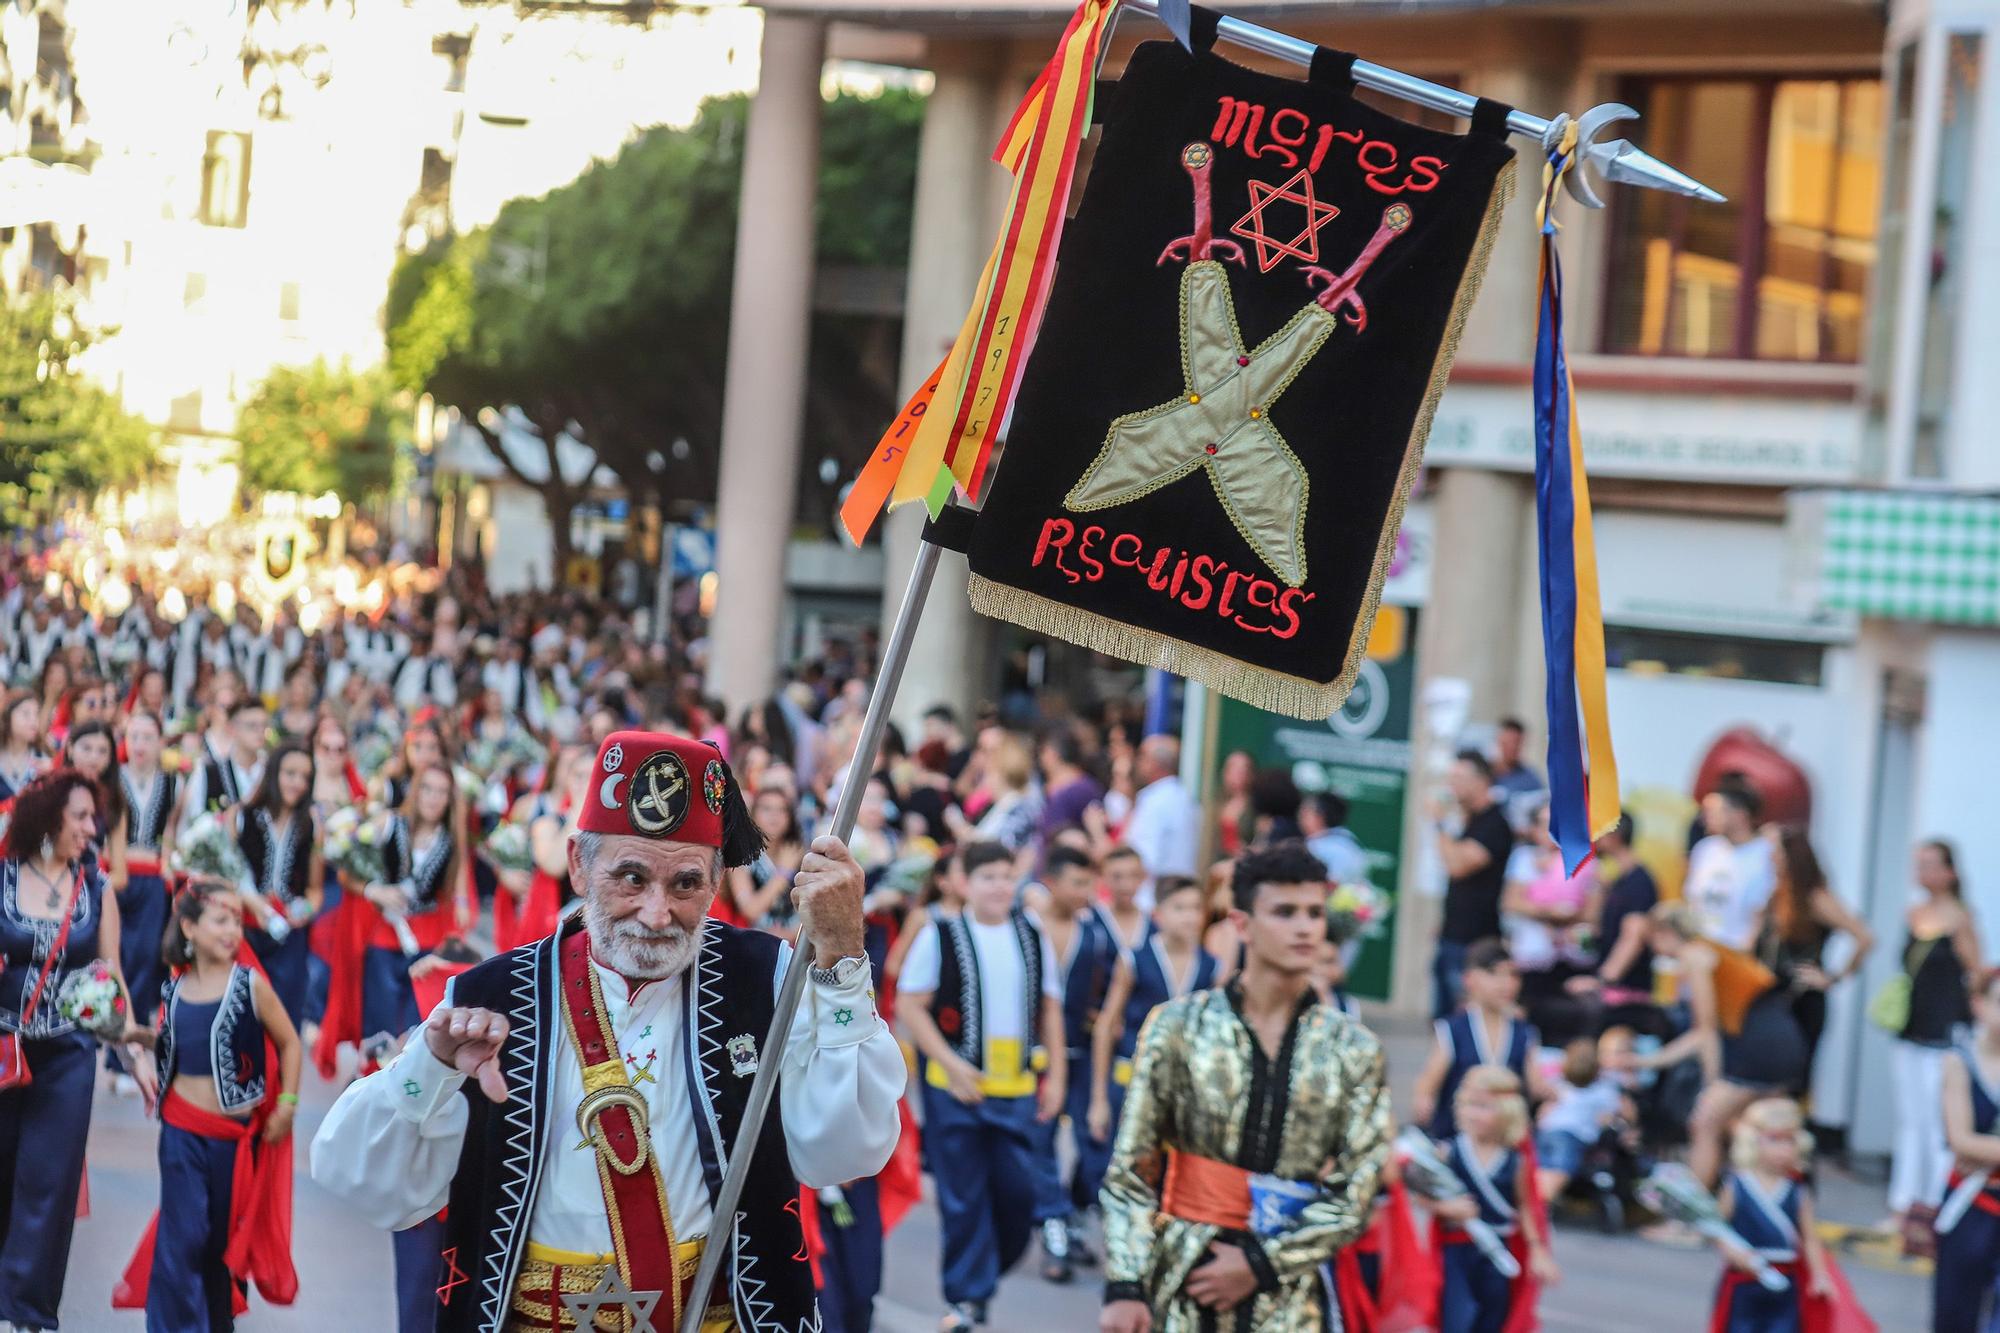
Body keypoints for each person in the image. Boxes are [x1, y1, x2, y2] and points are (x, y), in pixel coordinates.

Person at [312, 729, 905, 1331]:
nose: (657, 913)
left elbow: (845, 1149)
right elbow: (363, 1182)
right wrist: (429, 1069)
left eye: (685, 884)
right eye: (631, 878)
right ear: (578, 865)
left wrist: (843, 959)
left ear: (716, 882)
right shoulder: (489, 996)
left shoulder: (764, 978)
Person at [1098, 841, 1390, 1333]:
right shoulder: (1177, 1027)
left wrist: (1259, 1262)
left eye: (1315, 913)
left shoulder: (1352, 1048)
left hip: (1291, 1295)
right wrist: (1125, 1285)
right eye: (1284, 912)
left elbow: (1359, 1188)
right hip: (1184, 1277)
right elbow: (1132, 1170)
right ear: (1241, 924)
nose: (1304, 927)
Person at [0, 768, 152, 1330]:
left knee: (50, 1183)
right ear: (48, 817)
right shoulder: (4, 875)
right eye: (81, 817)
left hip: (67, 1056)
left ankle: (28, 1314)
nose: (93, 828)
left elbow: (110, 977)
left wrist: (135, 1056)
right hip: (2, 1051)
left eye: (95, 818)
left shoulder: (94, 886)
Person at [115, 883, 303, 1330]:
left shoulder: (250, 985)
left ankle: (217, 1322)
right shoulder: (174, 990)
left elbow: (290, 1042)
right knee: (184, 1236)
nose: (233, 931)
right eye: (221, 920)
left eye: (238, 922)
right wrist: (137, 1037)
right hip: (181, 1132)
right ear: (189, 927)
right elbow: (176, 1044)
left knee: (221, 1243)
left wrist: (289, 1104)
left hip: (233, 1140)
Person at [896, 839, 1067, 1330]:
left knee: (1020, 1195)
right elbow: (910, 1005)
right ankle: (966, 1299)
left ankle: (983, 1277)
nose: (999, 886)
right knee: (963, 1197)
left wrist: (1056, 1076)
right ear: (963, 883)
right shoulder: (941, 934)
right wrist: (950, 1063)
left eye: (1006, 876)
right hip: (956, 1092)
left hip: (1016, 1091)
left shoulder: (1031, 932)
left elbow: (1050, 1009)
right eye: (987, 877)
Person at [1637, 904, 1807, 1188]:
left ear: (1665, 933)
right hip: (1782, 1037)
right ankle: (1755, 1201)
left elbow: (1704, 1032)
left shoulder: (1694, 954)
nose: (1653, 950)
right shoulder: (1715, 948)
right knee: (1754, 1129)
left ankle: (1693, 1218)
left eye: (1651, 940)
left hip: (1758, 1044)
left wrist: (1710, 1083)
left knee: (1705, 1124)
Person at [1089, 875, 1220, 1184]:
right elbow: (1106, 1025)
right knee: (1124, 1172)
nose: (1190, 916)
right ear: (1158, 913)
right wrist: (1098, 1099)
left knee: (1168, 1177)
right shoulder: (1135, 959)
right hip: (1131, 1079)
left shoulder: (1210, 966)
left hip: (1181, 1088)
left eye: (1196, 908)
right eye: (1179, 907)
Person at [1030, 844, 1122, 1283]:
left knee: (1095, 1142)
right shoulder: (1028, 924)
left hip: (1083, 1052)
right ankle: (1054, 1232)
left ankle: (1073, 1214)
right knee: (1040, 1140)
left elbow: (1116, 977)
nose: (1087, 892)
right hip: (1035, 1054)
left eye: (1091, 883)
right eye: (1078, 883)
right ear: (1051, 883)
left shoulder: (1098, 928)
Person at [1416, 1066, 1558, 1333]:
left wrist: (1537, 1249)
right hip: (1456, 1252)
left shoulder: (1515, 1161)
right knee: (1456, 1321)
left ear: (1507, 1111)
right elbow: (1423, 1195)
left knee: (1492, 1322)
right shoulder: (1450, 1152)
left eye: (1484, 1107)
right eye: (1469, 1104)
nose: (1474, 1113)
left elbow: (1526, 1206)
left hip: (1497, 1253)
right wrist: (1446, 1208)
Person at [1887, 839, 1979, 1236]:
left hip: (1943, 1036)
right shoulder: (1913, 914)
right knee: (1910, 1121)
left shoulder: (1960, 919)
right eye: (1917, 864)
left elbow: (1975, 975)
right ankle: (1903, 1204)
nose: (1922, 872)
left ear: (1948, 872)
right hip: (1911, 1029)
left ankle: (1938, 1207)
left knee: (1938, 1125)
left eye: (1929, 865)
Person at [1755, 827, 1872, 1085]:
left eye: (1774, 852)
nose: (1770, 858)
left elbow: (1864, 938)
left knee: (1792, 1079)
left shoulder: (1815, 898)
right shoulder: (1778, 894)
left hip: (1801, 1000)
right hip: (1773, 998)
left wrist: (1834, 977)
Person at [1703, 1098, 1832, 1332]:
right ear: (1753, 1141)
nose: (1784, 1149)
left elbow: (1810, 1238)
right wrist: (1733, 1252)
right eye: (1774, 1140)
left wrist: (1819, 1274)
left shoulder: (1797, 1191)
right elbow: (1715, 1227)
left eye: (1789, 1141)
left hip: (1784, 1283)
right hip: (1744, 1282)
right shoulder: (1738, 1185)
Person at [358, 763, 460, 1050]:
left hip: (425, 943)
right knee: (380, 1030)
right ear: (415, 791)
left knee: (416, 1034)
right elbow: (349, 870)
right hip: (383, 939)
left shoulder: (450, 842)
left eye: (442, 792)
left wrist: (447, 948)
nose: (433, 797)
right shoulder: (388, 823)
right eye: (427, 788)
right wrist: (373, 890)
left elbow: (453, 899)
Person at [1413, 939, 1548, 1141]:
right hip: (1456, 1141)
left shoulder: (1524, 1032)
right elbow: (1428, 1082)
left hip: (1505, 1143)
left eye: (1513, 975)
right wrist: (1423, 1099)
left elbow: (1536, 1086)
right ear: (1470, 979)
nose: (1507, 984)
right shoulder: (1453, 1029)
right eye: (1494, 974)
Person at [235, 741, 324, 1026]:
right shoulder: (242, 815)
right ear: (274, 773)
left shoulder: (311, 824)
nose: (297, 783)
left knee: (284, 1017)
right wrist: (253, 903)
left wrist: (305, 910)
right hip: (245, 928)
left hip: (289, 934)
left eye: (305, 777)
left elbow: (315, 890)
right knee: (244, 1015)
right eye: (290, 773)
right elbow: (224, 875)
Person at [1934, 967, 2000, 1333]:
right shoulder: (1959, 1060)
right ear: (1979, 1005)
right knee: (1955, 1314)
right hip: (1972, 1203)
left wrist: (1982, 1150)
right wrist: (1973, 1148)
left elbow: (1974, 1146)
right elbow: (1960, 1141)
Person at [1431, 751, 1514, 1020]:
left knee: (1462, 1021)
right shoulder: (1470, 821)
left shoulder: (1495, 824)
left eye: (1458, 778)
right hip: (1452, 935)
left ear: (1481, 781)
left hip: (1475, 941)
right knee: (1442, 1020)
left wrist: (1440, 823)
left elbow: (1457, 866)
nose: (1450, 785)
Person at [1568, 813, 1661, 1035]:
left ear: (1614, 835)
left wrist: (1601, 982)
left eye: (1597, 831)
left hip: (1626, 995)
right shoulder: (1617, 881)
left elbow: (1633, 937)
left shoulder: (1640, 882)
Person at [118, 709, 179, 1037]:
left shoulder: (172, 782)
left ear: (160, 742)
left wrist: (167, 862)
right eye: (134, 736)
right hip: (116, 874)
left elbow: (171, 829)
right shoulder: (113, 776)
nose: (140, 744)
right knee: (116, 954)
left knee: (143, 957)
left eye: (147, 737)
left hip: (153, 877)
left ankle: (132, 1036)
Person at [1531, 1036, 1635, 1202]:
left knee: (1541, 1170)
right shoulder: (1604, 1091)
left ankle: (1532, 1205)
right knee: (1559, 1172)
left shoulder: (1559, 1083)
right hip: (1570, 1136)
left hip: (1546, 1130)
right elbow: (1626, 1112)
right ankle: (1538, 1205)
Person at [1683, 780, 1776, 952]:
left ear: (1739, 814)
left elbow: (1762, 915)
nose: (1705, 818)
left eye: (1712, 811)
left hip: (1737, 956)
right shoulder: (1705, 849)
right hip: (1698, 953)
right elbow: (1691, 901)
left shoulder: (1767, 854)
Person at [1122, 736, 1199, 887]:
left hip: (1152, 895)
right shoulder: (1186, 798)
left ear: (1154, 764)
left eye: (1141, 757)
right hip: (1178, 891)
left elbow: (1143, 858)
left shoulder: (1154, 801)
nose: (1137, 763)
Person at [186, 696, 269, 815]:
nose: (260, 732)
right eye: (252, 726)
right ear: (232, 728)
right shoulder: (209, 771)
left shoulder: (271, 771)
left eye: (264, 725)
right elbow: (195, 817)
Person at [1300, 790, 1367, 887]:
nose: (1300, 818)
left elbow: (1330, 885)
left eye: (1304, 812)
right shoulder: (1351, 841)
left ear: (1319, 817)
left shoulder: (1316, 848)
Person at [1488, 718, 1545, 830]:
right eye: (1507, 742)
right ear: (1498, 741)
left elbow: (1540, 814)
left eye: (1516, 743)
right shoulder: (1483, 773)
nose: (1512, 747)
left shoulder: (1531, 780)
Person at [1100, 845, 1152, 955]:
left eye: (1134, 875)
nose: (1126, 885)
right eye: (1117, 876)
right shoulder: (1089, 920)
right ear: (1103, 877)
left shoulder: (1153, 922)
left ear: (1143, 877)